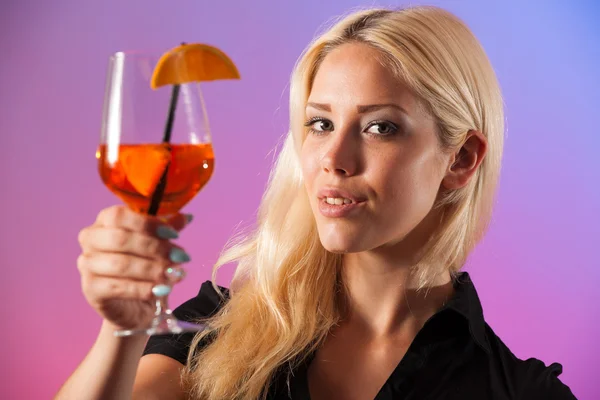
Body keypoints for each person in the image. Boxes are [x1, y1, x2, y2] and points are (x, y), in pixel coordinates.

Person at [56, 6, 577, 400]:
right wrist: (123, 330)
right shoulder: (220, 326)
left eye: (380, 127)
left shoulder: (517, 389)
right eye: (320, 123)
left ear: (461, 158)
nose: (334, 158)